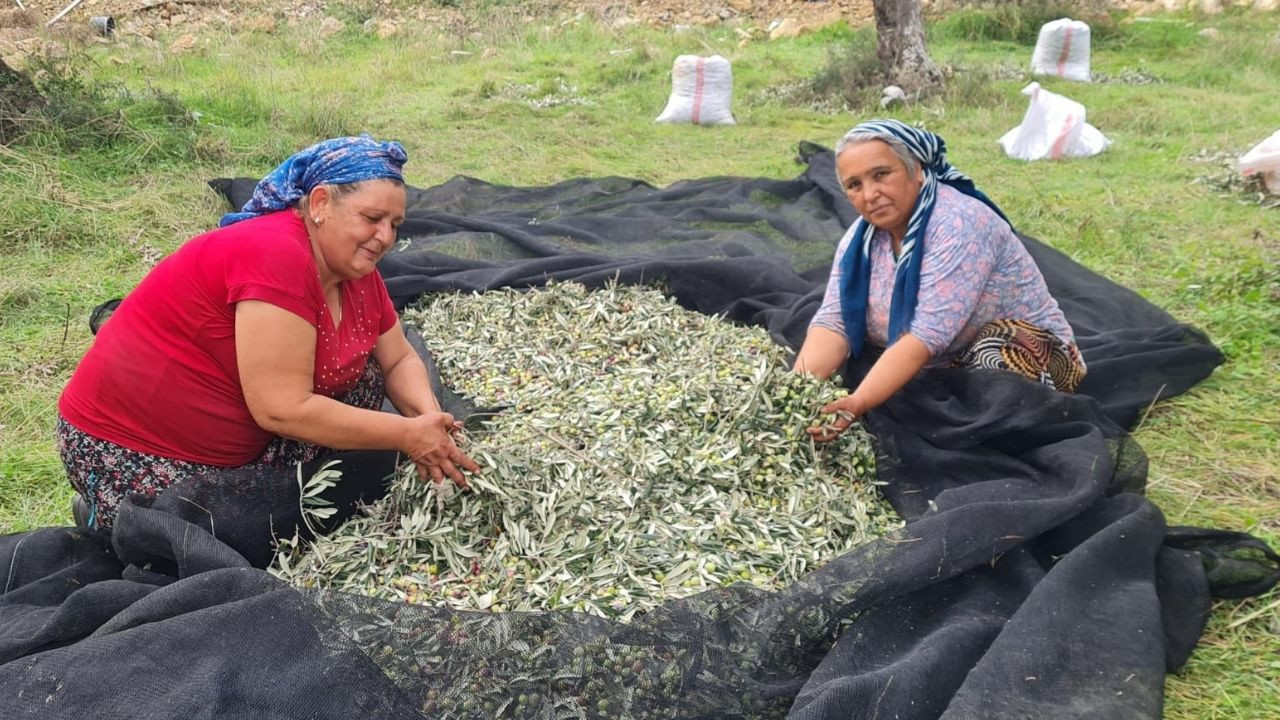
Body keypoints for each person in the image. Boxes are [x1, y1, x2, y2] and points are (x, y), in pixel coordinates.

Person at [57, 135, 479, 529]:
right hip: (132, 447)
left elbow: (399, 357)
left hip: (246, 439)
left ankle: (257, 486)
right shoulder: (274, 253)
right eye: (371, 218)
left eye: (396, 224)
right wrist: (406, 435)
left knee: (364, 382)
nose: (385, 237)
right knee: (228, 541)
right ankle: (107, 511)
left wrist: (428, 419)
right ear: (320, 204)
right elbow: (280, 409)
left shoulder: (354, 269)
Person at [795, 119, 1086, 441]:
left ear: (916, 170)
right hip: (935, 363)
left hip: (1019, 356)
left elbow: (927, 334)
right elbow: (835, 318)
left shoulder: (959, 225)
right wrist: (798, 389)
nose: (870, 194)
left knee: (994, 382)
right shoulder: (861, 239)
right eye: (855, 185)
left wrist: (860, 402)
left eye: (881, 175)